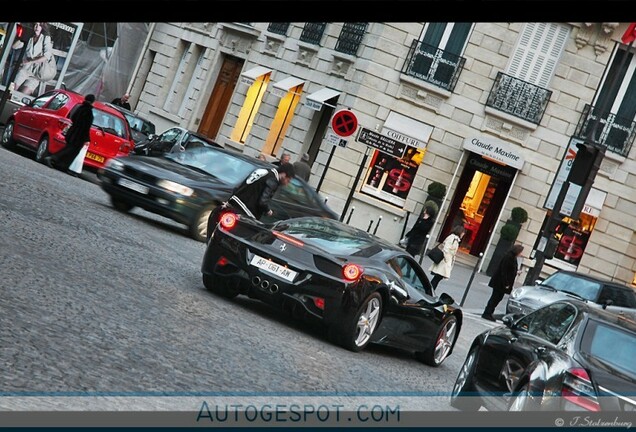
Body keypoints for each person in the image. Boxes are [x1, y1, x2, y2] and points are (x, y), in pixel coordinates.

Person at [206, 163, 295, 240]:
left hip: (233, 203)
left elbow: (240, 186)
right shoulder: (273, 180)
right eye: (288, 179)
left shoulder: (263, 171)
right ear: (283, 174)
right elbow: (262, 202)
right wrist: (268, 211)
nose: (287, 183)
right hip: (245, 211)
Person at [44, 94, 95, 172]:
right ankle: (53, 158)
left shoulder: (80, 108)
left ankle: (62, 165)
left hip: (72, 131)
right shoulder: (88, 112)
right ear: (92, 101)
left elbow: (73, 117)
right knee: (71, 150)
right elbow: (86, 127)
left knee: (69, 148)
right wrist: (87, 138)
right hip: (79, 135)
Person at [482, 244, 524, 322]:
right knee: (495, 297)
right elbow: (504, 271)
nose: (521, 254)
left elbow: (510, 270)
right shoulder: (509, 257)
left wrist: (516, 272)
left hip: (502, 282)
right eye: (520, 252)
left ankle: (489, 312)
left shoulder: (513, 258)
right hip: (500, 282)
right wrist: (506, 284)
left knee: (498, 298)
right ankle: (487, 313)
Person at [13, 22, 56, 96]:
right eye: (35, 24)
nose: (37, 27)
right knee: (11, 90)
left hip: (36, 74)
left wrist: (30, 61)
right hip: (25, 70)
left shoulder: (45, 38)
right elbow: (14, 46)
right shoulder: (30, 37)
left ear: (42, 27)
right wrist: (22, 37)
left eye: (39, 25)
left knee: (22, 95)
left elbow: (46, 56)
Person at [429, 225, 466, 291]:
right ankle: (430, 291)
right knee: (437, 278)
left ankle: (430, 291)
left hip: (446, 261)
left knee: (437, 278)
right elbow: (446, 248)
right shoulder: (452, 238)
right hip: (444, 261)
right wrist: (447, 259)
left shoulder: (455, 239)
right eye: (463, 233)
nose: (463, 235)